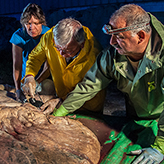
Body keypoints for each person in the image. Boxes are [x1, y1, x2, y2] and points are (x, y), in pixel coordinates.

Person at [49, 4, 164, 164]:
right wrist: (60, 112)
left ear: (141, 36)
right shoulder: (113, 55)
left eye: (119, 37)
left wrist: (160, 147)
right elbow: (89, 85)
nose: (111, 42)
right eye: (110, 34)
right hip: (137, 115)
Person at [22, 17, 106, 115]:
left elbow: (89, 90)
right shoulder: (50, 36)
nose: (61, 54)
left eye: (68, 51)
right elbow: (35, 57)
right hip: (61, 96)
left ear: (81, 44)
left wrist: (62, 102)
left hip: (87, 106)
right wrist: (29, 75)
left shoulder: (95, 55)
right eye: (57, 48)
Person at [10, 3, 51, 103]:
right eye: (28, 23)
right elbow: (17, 66)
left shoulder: (48, 34)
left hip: (45, 76)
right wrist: (18, 89)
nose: (32, 28)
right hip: (26, 78)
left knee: (48, 87)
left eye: (36, 23)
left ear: (42, 22)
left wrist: (37, 82)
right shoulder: (18, 36)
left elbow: (49, 64)